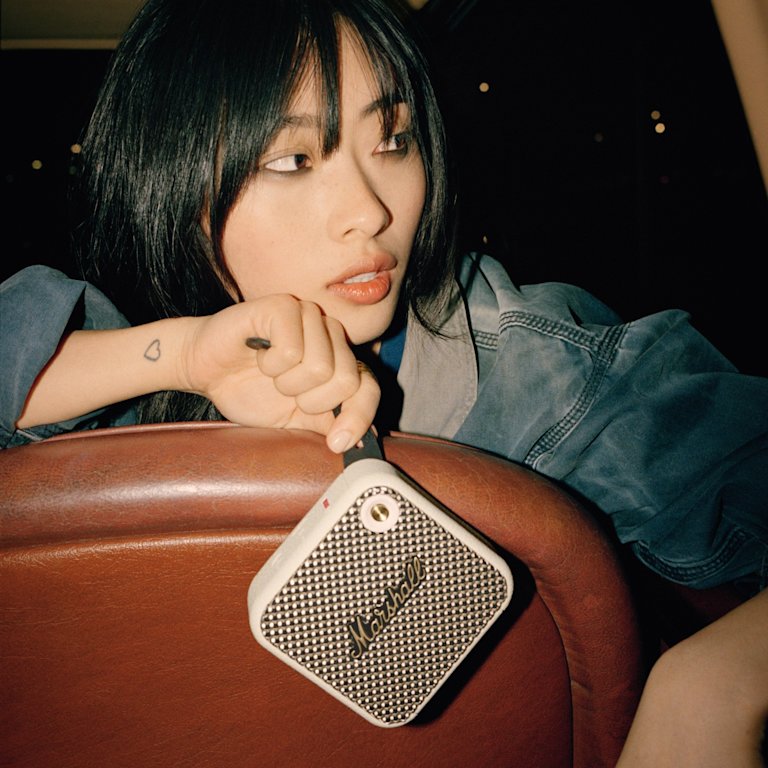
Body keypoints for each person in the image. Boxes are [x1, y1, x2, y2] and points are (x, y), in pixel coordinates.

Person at [0, 0, 766, 763]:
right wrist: (182, 355)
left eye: (393, 141)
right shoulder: (112, 377)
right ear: (177, 180)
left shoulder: (535, 369)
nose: (369, 210)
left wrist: (713, 682)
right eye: (294, 160)